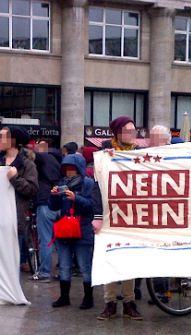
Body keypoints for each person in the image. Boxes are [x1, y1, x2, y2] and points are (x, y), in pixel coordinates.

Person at [97, 116, 144, 321]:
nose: (132, 135)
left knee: (129, 260)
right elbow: (97, 187)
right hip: (111, 215)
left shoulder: (140, 155)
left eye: (134, 130)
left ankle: (128, 302)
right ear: (117, 133)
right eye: (127, 130)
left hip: (132, 215)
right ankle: (109, 303)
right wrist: (98, 216)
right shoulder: (106, 156)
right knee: (110, 259)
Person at [49, 154, 100, 310]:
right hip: (64, 230)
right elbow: (53, 207)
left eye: (71, 169)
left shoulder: (88, 184)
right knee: (64, 265)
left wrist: (75, 198)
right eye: (66, 169)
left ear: (79, 169)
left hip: (82, 229)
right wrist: (54, 196)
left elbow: (92, 206)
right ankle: (64, 297)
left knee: (85, 265)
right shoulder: (62, 183)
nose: (68, 172)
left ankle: (88, 298)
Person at [0, 126, 38, 272]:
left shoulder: (27, 164)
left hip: (16, 220)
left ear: (13, 140)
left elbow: (32, 190)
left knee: (13, 263)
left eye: (2, 136)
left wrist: (15, 179)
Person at [28, 138, 61, 283]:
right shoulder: (58, 158)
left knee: (45, 239)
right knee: (59, 240)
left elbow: (29, 154)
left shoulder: (42, 157)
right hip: (59, 200)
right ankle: (62, 270)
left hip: (45, 201)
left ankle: (44, 272)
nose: (35, 147)